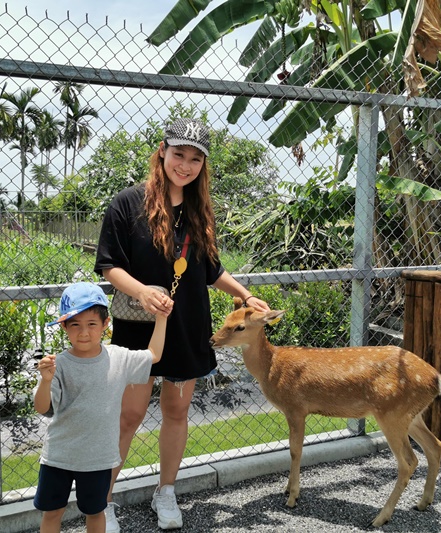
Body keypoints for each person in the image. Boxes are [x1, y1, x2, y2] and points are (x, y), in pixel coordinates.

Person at [94, 118, 270, 531]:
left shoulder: (198, 211)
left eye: (195, 159)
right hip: (139, 327)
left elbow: (210, 270)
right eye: (179, 154)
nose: (185, 165)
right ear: (162, 151)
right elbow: (108, 265)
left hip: (188, 323)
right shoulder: (126, 203)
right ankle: (103, 500)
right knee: (129, 415)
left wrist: (243, 295)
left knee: (177, 409)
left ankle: (166, 491)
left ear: (202, 165)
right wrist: (141, 292)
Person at [33, 281, 170, 533]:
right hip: (59, 456)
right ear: (64, 326)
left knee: (96, 513)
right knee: (52, 512)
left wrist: (161, 318)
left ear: (106, 325)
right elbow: (43, 407)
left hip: (99, 458)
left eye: (91, 324)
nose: (83, 332)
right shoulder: (58, 365)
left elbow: (154, 355)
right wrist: (45, 380)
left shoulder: (118, 357)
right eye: (75, 325)